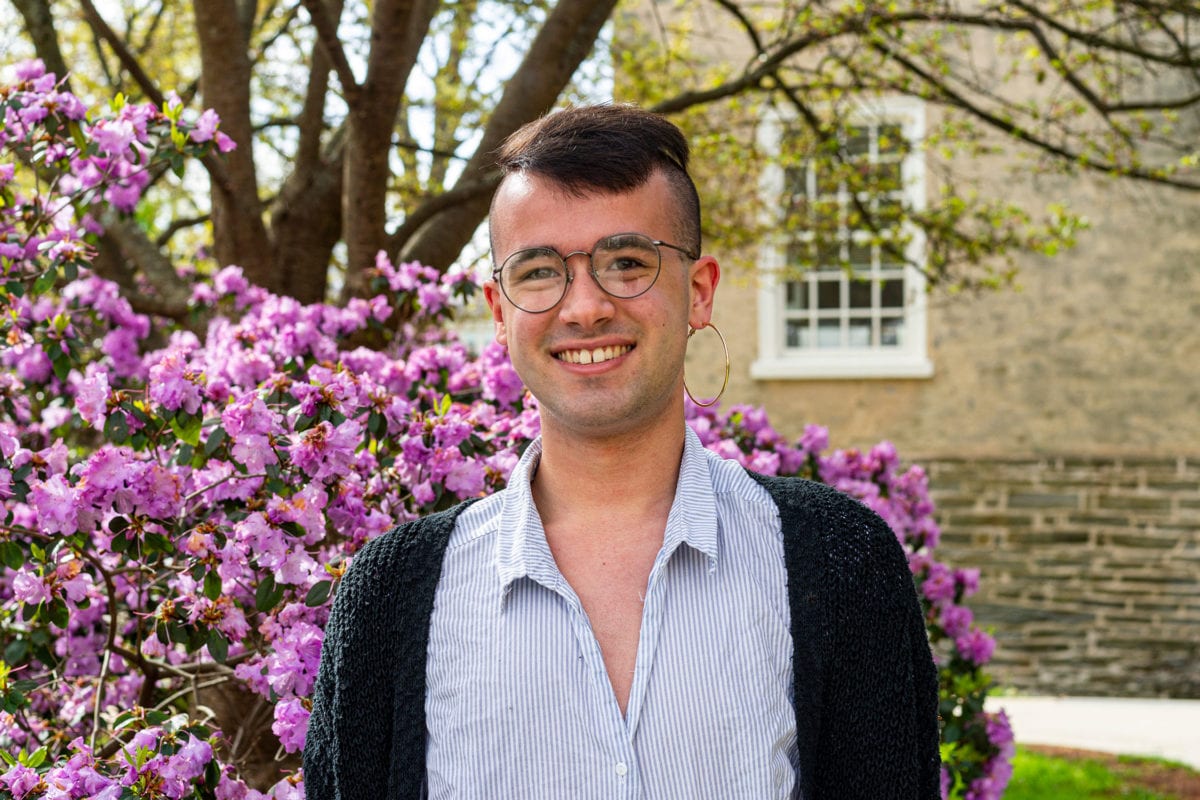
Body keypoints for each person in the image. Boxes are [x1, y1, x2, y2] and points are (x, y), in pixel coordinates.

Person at [303, 105, 940, 799]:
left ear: (699, 292)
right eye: (539, 270)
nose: (585, 308)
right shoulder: (389, 598)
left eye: (627, 262)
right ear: (497, 310)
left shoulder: (840, 562)